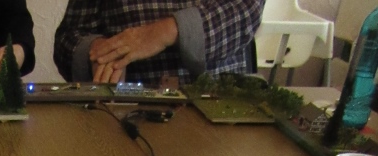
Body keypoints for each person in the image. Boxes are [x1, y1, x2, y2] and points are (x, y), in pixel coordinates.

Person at [53, 0, 263, 87]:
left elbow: (247, 9)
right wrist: (100, 52)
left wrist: (165, 32)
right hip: (124, 113)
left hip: (217, 105)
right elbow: (69, 36)